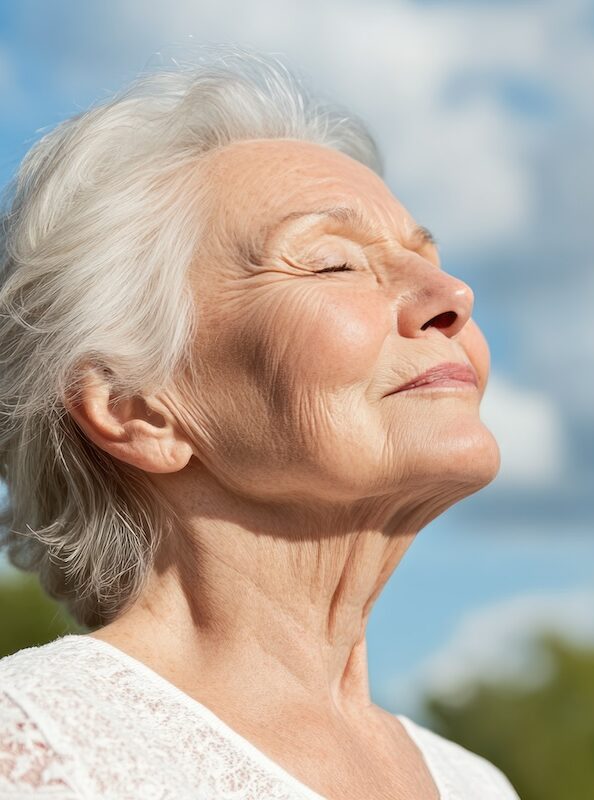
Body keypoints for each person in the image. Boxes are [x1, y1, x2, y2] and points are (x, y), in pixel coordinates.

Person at [0, 47, 519, 799]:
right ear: (136, 407)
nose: (452, 295)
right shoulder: (36, 751)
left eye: (427, 259)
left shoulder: (477, 784)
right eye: (333, 264)